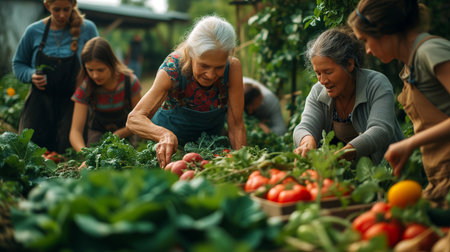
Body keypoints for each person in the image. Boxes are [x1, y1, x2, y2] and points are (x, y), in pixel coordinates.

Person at [348, 0, 450, 204]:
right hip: (442, 180)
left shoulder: (430, 52)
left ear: (383, 31)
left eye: (366, 40)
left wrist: (410, 143)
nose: (367, 50)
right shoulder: (411, 63)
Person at [127, 15, 247, 168]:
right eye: (204, 65)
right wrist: (164, 135)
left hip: (209, 147)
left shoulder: (233, 68)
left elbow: (236, 124)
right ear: (191, 53)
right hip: (169, 150)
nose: (210, 74)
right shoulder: (173, 68)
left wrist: (243, 165)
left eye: (218, 67)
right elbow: (134, 119)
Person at [293, 28, 404, 165]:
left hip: (388, 171)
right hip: (347, 176)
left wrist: (342, 154)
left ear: (350, 64)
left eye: (328, 72)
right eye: (318, 73)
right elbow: (304, 126)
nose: (322, 80)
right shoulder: (318, 91)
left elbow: (380, 130)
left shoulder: (376, 84)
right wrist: (307, 141)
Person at [12, 0, 98, 153]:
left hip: (74, 107)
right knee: (33, 154)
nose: (62, 15)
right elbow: (18, 64)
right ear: (47, 6)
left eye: (66, 9)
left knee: (70, 156)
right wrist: (31, 75)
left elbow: (97, 62)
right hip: (39, 107)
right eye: (56, 10)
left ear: (73, 5)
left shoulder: (87, 29)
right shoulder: (33, 31)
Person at [69, 37, 142, 152]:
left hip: (128, 134)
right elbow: (75, 131)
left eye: (100, 70)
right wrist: (85, 153)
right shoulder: (86, 87)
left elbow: (141, 119)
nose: (95, 75)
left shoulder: (129, 82)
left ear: (111, 64)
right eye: (90, 70)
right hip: (97, 138)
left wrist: (120, 134)